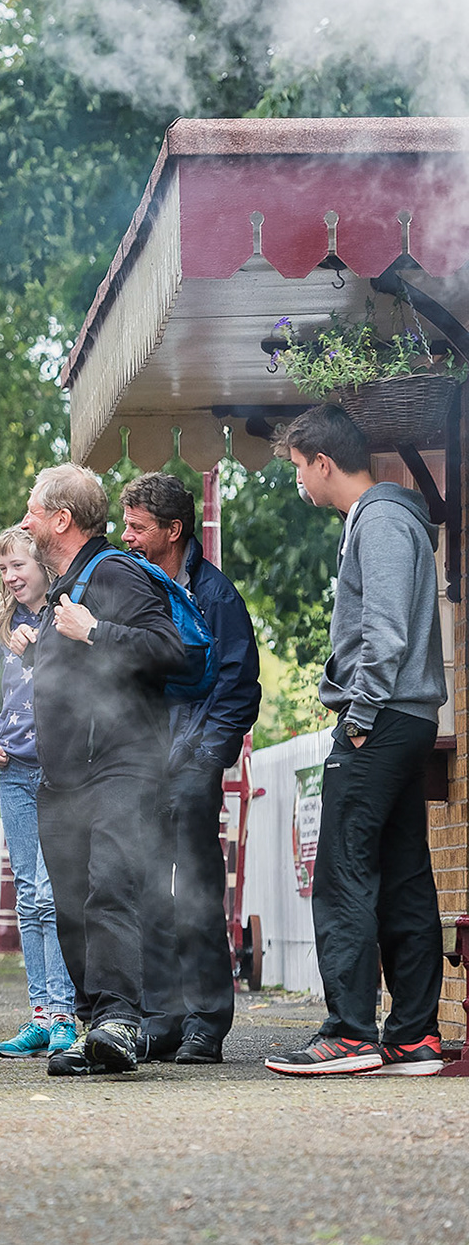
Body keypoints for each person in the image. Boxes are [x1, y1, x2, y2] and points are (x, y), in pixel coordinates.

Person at [265, 405, 447, 1078]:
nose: (298, 485)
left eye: (297, 470)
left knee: (342, 871)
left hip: (383, 714)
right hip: (406, 716)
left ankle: (348, 1032)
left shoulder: (381, 519)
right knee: (402, 873)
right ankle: (413, 1038)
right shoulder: (383, 519)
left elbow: (387, 628)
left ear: (322, 461)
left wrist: (361, 712)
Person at [19, 465, 187, 1075]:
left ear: (61, 519)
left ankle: (120, 1021)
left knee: (111, 890)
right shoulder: (64, 582)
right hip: (62, 777)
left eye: (33, 510)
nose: (25, 521)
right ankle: (95, 1031)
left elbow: (169, 650)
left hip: (121, 766)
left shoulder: (113, 572)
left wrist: (98, 631)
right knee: (71, 905)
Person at [120, 473, 262, 1065]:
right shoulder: (132, 587)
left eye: (138, 527)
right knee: (148, 893)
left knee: (199, 895)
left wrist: (205, 760)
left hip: (193, 766)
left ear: (172, 531)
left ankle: (207, 1023)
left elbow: (237, 690)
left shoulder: (217, 597)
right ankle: (162, 1019)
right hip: (141, 766)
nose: (126, 537)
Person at [0, 527, 77, 1059]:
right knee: (28, 895)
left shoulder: (63, 615)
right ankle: (38, 1013)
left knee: (53, 896)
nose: (10, 578)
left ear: (43, 567)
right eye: (2, 569)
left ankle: (64, 1013)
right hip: (13, 772)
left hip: (60, 773)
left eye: (19, 567)